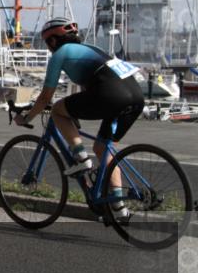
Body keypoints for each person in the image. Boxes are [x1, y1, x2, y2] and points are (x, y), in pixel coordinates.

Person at [15, 18, 144, 219]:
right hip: (135, 96)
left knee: (57, 109)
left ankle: (81, 158)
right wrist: (74, 113)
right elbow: (89, 89)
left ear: (52, 41)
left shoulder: (60, 54)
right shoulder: (89, 49)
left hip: (111, 94)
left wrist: (26, 117)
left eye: (48, 43)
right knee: (103, 148)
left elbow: (45, 97)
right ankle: (119, 207)